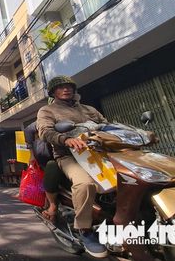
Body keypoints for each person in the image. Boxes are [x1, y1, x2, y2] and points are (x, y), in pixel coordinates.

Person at [36, 75, 108, 258]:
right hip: (69, 156)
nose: (66, 89)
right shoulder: (47, 110)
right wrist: (66, 139)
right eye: (61, 87)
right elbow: (45, 132)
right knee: (85, 184)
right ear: (53, 92)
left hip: (100, 153)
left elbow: (107, 125)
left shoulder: (89, 109)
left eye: (69, 86)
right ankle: (85, 229)